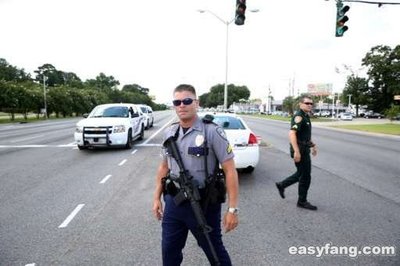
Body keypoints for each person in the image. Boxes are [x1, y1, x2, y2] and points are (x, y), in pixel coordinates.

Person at [152, 84, 239, 266]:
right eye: (177, 102)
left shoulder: (212, 131)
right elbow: (163, 167)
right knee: (169, 252)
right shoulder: (170, 133)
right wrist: (156, 198)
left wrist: (232, 210)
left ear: (196, 103)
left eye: (187, 101)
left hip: (204, 205)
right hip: (175, 204)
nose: (182, 105)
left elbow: (230, 170)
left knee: (215, 253)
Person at [275, 95, 318, 211]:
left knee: (301, 174)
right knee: (305, 176)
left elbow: (304, 136)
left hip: (304, 148)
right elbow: (292, 134)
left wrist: (313, 145)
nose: (309, 105)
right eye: (307, 103)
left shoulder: (305, 116)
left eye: (311, 104)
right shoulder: (299, 116)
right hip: (300, 150)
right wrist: (297, 152)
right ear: (301, 104)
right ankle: (302, 201)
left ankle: (282, 185)